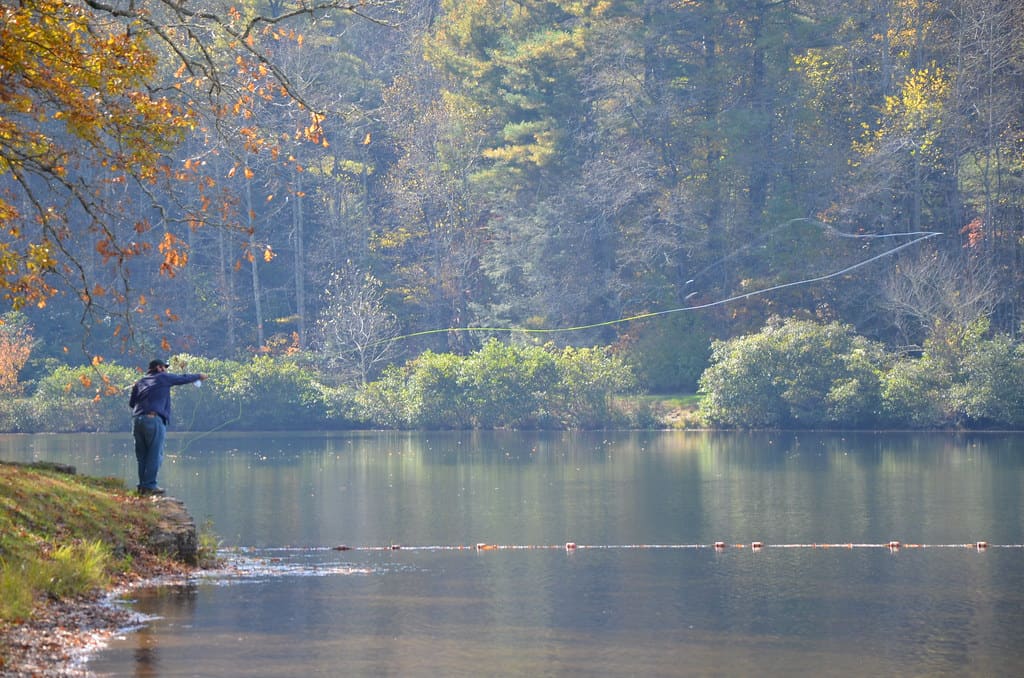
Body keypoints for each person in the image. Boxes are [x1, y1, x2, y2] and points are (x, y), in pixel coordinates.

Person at [128, 358, 206, 495]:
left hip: (137, 421)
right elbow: (182, 378)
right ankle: (150, 486)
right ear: (159, 368)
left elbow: (132, 403)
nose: (166, 370)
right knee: (154, 454)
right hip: (153, 420)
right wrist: (198, 376)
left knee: (142, 456)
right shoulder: (162, 377)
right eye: (165, 367)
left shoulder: (140, 382)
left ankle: (143, 486)